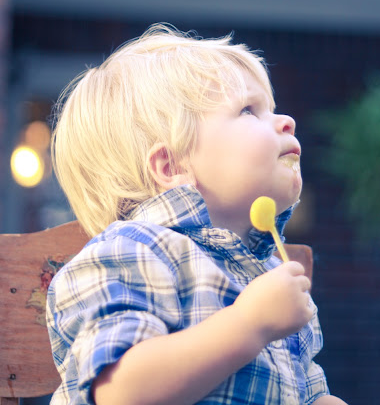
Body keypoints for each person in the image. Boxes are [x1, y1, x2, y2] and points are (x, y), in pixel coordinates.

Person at [47, 23, 349, 405]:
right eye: (248, 110)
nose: (286, 120)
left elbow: (303, 391)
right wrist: (250, 323)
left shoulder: (272, 270)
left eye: (271, 108)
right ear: (171, 167)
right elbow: (122, 393)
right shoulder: (131, 252)